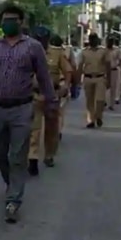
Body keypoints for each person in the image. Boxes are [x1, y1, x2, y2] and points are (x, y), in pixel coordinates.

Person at [0, 4, 57, 223]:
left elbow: (44, 77)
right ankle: (12, 182)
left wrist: (51, 102)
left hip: (22, 109)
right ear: (0, 23)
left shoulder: (33, 47)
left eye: (14, 19)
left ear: (21, 22)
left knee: (18, 156)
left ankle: (13, 200)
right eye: (5, 19)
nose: (9, 22)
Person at [27, 27, 72, 176]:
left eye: (43, 39)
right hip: (34, 95)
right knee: (34, 128)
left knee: (52, 128)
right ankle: (32, 157)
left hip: (52, 95)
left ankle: (49, 155)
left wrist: (65, 86)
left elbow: (68, 70)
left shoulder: (57, 53)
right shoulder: (27, 52)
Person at [80, 33, 110, 128]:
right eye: (91, 39)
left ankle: (98, 116)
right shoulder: (84, 52)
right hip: (88, 77)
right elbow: (80, 66)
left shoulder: (103, 51)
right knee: (89, 100)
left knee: (100, 100)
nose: (93, 41)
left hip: (100, 77)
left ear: (97, 40)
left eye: (95, 39)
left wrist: (108, 79)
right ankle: (91, 120)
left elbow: (108, 65)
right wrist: (77, 79)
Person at [105, 37, 121, 110]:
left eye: (111, 42)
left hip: (113, 70)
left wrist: (118, 65)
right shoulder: (104, 50)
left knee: (113, 87)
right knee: (104, 87)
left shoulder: (116, 50)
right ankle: (104, 101)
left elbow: (120, 59)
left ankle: (111, 104)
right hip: (105, 71)